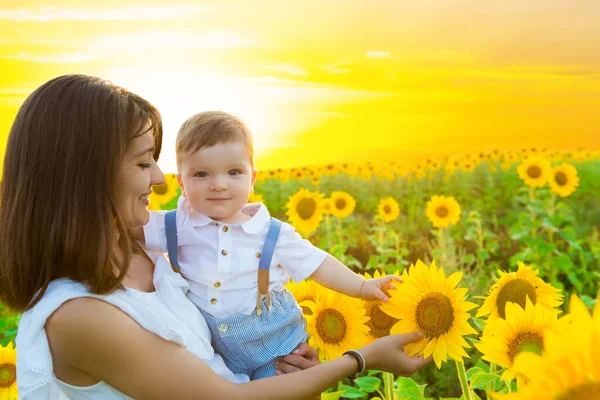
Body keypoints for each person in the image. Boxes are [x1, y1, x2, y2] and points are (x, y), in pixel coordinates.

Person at [0, 74, 432, 400]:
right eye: (141, 163)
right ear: (84, 176)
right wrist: (361, 360)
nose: (158, 179)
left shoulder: (132, 246)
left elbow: (208, 355)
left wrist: (281, 369)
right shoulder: (79, 316)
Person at [139, 110, 402, 379]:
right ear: (182, 183)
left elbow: (317, 264)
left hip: (277, 350)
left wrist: (361, 286)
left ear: (252, 179)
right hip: (209, 351)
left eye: (233, 172)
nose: (219, 184)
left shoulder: (271, 233)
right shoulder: (174, 226)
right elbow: (120, 226)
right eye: (202, 174)